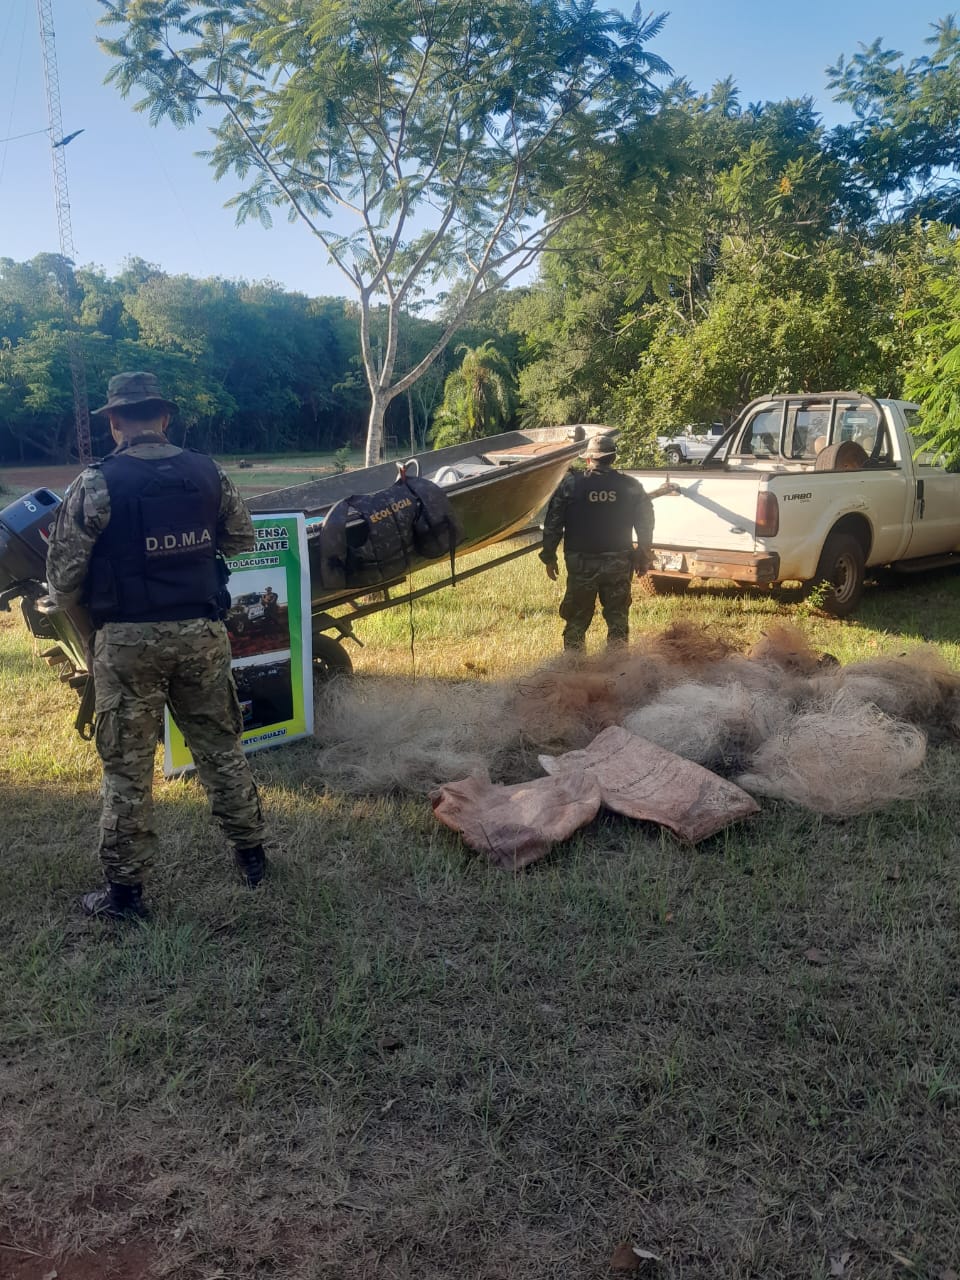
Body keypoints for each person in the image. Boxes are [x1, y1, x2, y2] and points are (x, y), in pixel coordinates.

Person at [45, 371, 269, 920]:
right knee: (220, 748)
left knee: (126, 768)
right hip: (201, 634)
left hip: (126, 643)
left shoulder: (96, 483)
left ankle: (125, 897)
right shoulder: (207, 471)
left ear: (116, 422)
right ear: (164, 417)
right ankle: (253, 859)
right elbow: (242, 540)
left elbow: (62, 578)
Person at [539, 431, 656, 651]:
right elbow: (645, 521)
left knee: (577, 618)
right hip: (619, 562)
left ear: (588, 458)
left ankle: (574, 669)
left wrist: (548, 555)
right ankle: (618, 669)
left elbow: (553, 522)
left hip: (581, 562)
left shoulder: (571, 485)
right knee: (618, 618)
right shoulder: (630, 486)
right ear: (613, 458)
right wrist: (643, 551)